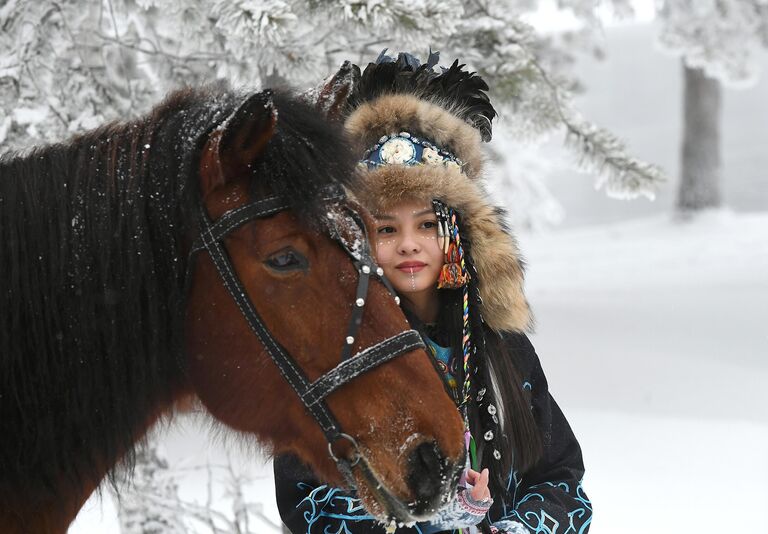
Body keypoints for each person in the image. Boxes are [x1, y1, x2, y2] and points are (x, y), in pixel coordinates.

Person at [274, 51, 591, 534]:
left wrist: (516, 530)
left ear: (458, 234)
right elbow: (307, 500)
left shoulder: (504, 352)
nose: (408, 244)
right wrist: (430, 518)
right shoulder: (330, 361)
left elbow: (562, 480)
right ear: (357, 240)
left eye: (427, 224)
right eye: (385, 228)